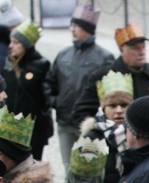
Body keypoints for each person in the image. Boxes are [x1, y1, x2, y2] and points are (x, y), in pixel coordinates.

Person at [47, 3, 114, 173]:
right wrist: (56, 102)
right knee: (68, 165)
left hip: (89, 124)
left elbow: (110, 90)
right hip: (64, 121)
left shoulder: (104, 57)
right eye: (72, 25)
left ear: (87, 29)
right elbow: (49, 83)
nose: (72, 29)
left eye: (76, 26)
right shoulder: (63, 54)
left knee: (89, 167)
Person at [72, 22, 149, 126]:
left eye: (143, 47)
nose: (142, 52)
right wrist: (102, 130)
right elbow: (80, 113)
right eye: (136, 48)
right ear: (122, 50)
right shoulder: (103, 76)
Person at [2, 19, 52, 160]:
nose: (11, 46)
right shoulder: (8, 64)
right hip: (9, 127)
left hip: (33, 129)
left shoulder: (41, 65)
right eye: (11, 42)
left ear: (26, 45)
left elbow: (46, 97)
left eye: (16, 43)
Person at [79, 71, 134, 183]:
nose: (119, 110)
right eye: (113, 106)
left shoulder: (138, 136)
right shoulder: (92, 138)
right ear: (103, 109)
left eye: (124, 105)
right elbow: (84, 178)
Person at [0, 0, 24, 72]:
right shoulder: (3, 49)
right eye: (18, 26)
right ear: (10, 27)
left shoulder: (3, 43)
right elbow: (2, 74)